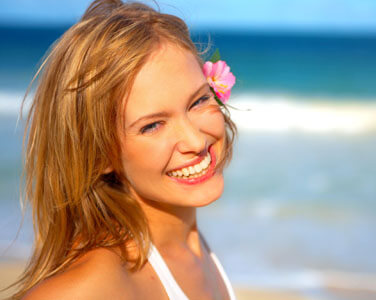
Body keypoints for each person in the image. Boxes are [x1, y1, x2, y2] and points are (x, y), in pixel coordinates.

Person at [12, 0, 237, 299]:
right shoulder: (90, 287)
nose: (196, 142)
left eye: (198, 101)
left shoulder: (193, 249)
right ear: (100, 154)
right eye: (153, 125)